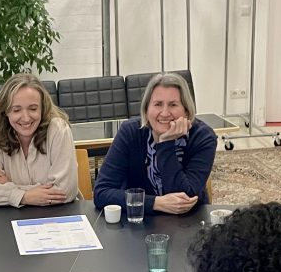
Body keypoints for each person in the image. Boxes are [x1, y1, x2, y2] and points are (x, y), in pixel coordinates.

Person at [93, 72, 216, 216]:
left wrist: (165, 143)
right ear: (146, 110)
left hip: (190, 222)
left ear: (187, 112)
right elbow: (101, 193)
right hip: (141, 222)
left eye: (173, 105)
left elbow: (184, 199)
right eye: (157, 104)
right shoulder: (131, 132)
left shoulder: (203, 137)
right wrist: (156, 203)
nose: (164, 113)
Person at [0, 73, 80, 207]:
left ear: (42, 108)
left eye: (33, 109)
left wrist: (8, 187)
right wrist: (25, 196)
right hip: (14, 219)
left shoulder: (59, 130)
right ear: (5, 111)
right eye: (16, 110)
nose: (26, 118)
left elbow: (64, 191)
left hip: (60, 215)